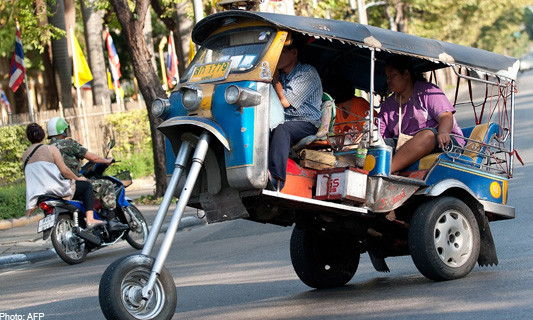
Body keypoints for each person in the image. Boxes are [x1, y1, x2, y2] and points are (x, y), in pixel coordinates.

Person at [378, 55, 465, 173]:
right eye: (387, 76)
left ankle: (385, 172)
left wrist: (443, 132)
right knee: (379, 145)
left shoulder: (427, 91)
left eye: (392, 76)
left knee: (427, 135)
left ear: (406, 75)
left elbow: (446, 116)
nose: (388, 80)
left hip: (442, 143)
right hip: (404, 144)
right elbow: (382, 136)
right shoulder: (388, 105)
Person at [47, 117, 128, 230]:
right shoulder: (68, 143)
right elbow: (92, 157)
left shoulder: (47, 148)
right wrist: (106, 160)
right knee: (107, 185)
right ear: (63, 130)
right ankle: (112, 220)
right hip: (74, 183)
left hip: (58, 186)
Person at [22, 123, 103, 228]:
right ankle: (90, 219)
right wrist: (77, 179)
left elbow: (30, 178)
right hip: (56, 189)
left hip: (39, 194)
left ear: (29, 138)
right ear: (42, 135)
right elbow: (64, 170)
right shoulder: (50, 149)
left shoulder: (25, 155)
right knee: (86, 186)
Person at [269, 36, 323, 190]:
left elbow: (285, 102)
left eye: (281, 52)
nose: (276, 57)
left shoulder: (307, 73)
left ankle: (276, 179)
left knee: (282, 129)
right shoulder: (283, 76)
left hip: (306, 123)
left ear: (294, 53)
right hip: (285, 120)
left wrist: (276, 82)